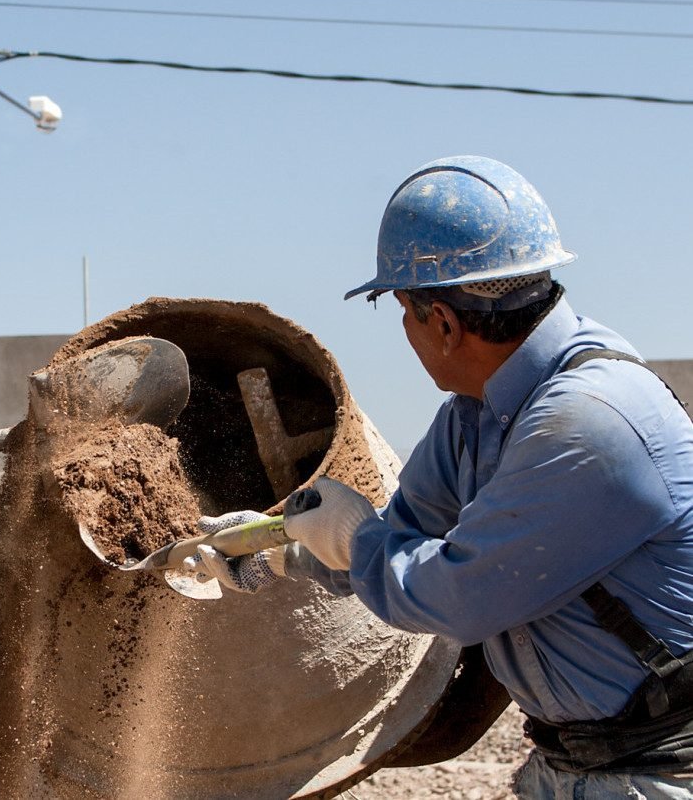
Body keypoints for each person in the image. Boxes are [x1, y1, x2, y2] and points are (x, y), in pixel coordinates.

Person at [188, 155, 693, 797]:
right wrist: (279, 551)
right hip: (577, 765)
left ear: (445, 323)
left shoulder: (590, 423)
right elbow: (404, 533)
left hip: (661, 774)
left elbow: (457, 597)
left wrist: (351, 540)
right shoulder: (477, 417)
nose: (406, 333)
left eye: (402, 310)